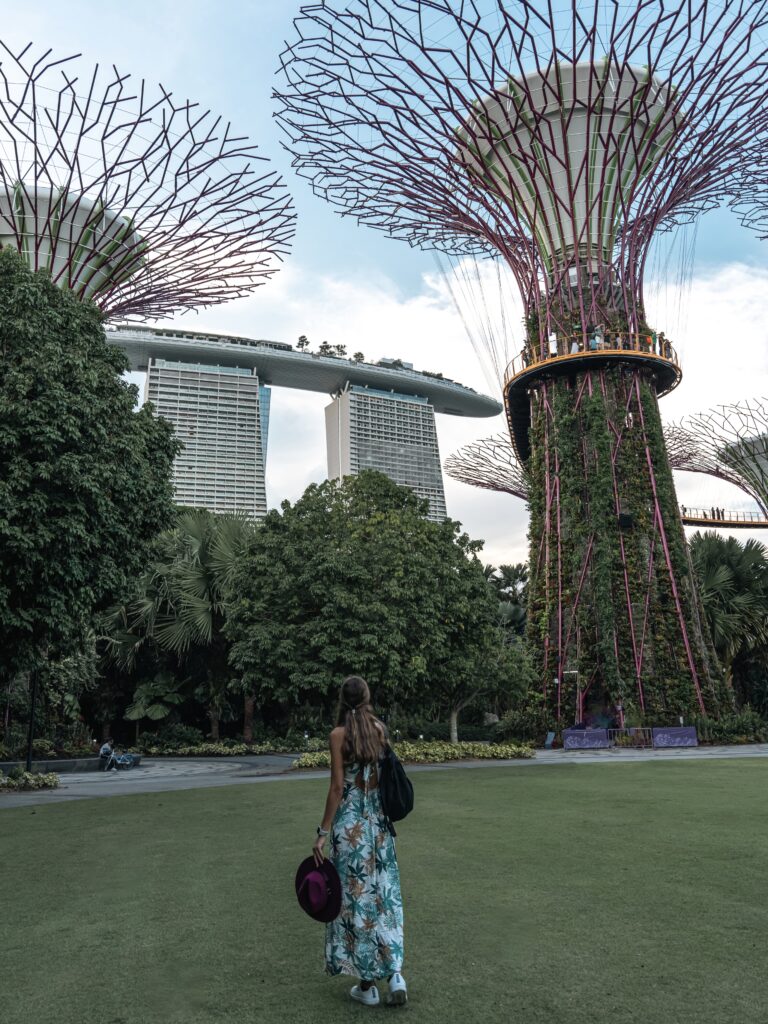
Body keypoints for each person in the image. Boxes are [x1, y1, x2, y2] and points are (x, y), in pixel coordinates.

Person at [312, 676, 407, 1008]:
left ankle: (367, 986)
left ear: (342, 699)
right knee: (383, 898)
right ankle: (395, 974)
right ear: (367, 698)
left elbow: (337, 788)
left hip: (350, 831)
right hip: (378, 828)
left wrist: (322, 833)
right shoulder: (379, 730)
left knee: (356, 904)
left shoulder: (338, 735)